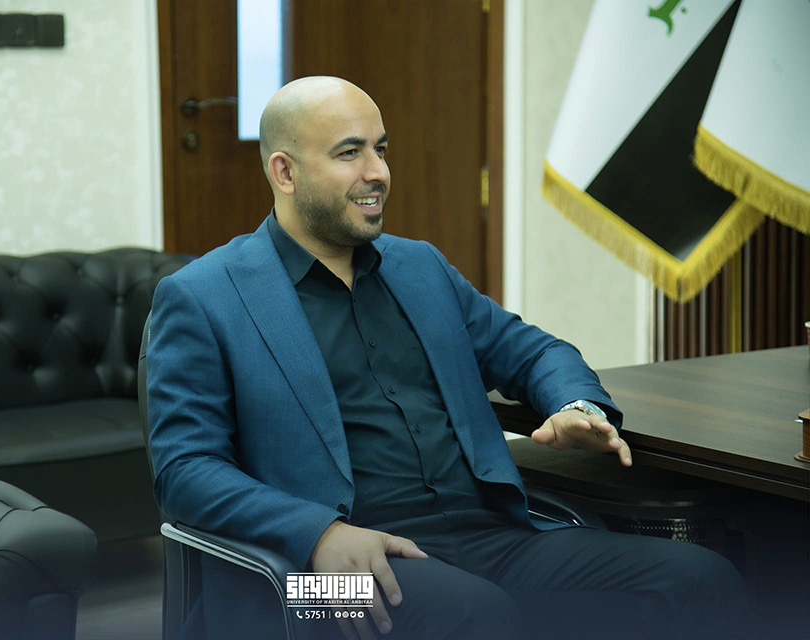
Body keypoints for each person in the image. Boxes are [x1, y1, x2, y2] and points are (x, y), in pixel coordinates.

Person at [147, 76, 750, 640]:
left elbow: (534, 350)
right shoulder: (203, 297)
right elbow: (185, 469)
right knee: (471, 613)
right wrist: (319, 533)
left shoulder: (420, 268)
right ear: (285, 171)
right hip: (312, 575)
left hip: (488, 536)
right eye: (350, 153)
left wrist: (575, 405)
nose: (378, 172)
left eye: (381, 149)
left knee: (699, 577)